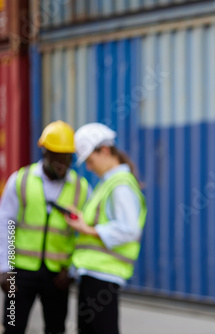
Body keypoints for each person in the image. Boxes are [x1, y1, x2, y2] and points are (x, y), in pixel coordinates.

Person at [0, 121, 89, 334]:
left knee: (56, 328)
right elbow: (6, 224)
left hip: (58, 276)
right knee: (13, 325)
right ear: (45, 152)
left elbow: (86, 234)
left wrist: (73, 270)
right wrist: (5, 268)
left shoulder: (81, 188)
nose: (62, 163)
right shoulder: (20, 180)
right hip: (19, 274)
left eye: (67, 157)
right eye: (57, 156)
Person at [64, 123, 146, 334]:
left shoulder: (120, 184)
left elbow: (129, 229)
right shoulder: (109, 183)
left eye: (90, 161)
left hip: (104, 277)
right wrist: (83, 222)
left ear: (105, 151)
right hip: (94, 274)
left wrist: (87, 229)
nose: (89, 167)